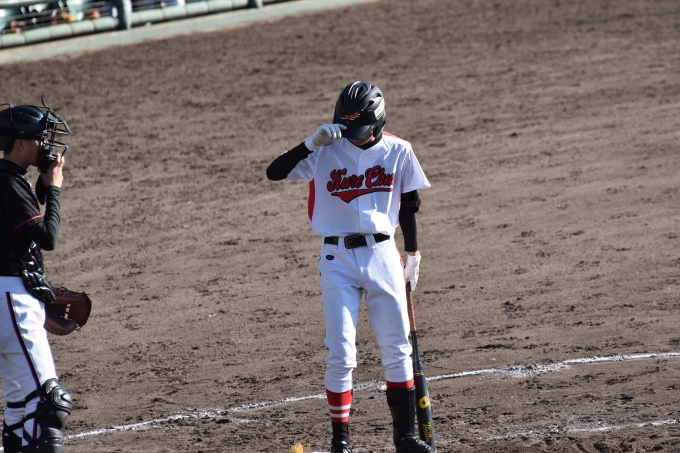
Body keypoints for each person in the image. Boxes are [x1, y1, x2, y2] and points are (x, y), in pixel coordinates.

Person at [266, 81, 434, 453]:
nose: (352, 136)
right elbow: (274, 172)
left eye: (359, 129)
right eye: (347, 127)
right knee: (341, 352)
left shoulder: (399, 150)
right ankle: (340, 441)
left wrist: (413, 252)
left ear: (378, 123)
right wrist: (309, 143)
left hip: (383, 254)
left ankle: (405, 437)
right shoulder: (323, 150)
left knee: (397, 348)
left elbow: (409, 203)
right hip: (336, 259)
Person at [0, 103, 73, 453]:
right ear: (19, 143)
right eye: (39, 138)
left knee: (21, 413)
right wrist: (54, 188)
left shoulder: (9, 179)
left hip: (9, 297)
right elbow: (47, 237)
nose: (46, 144)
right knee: (49, 404)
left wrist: (42, 186)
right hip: (11, 299)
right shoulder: (8, 181)